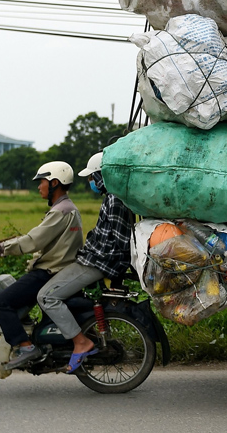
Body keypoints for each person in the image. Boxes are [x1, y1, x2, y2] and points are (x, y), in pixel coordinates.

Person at [36, 151, 136, 373]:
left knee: (46, 296)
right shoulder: (111, 198)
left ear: (103, 176)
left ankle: (81, 343)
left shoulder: (114, 200)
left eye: (93, 177)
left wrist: (116, 274)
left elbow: (121, 242)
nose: (91, 182)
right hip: (93, 260)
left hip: (98, 264)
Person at [0, 161, 83, 370]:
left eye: (42, 182)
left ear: (54, 182)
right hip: (57, 269)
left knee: (1, 302)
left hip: (48, 272)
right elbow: (38, 237)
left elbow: (32, 241)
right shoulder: (67, 208)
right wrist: (3, 244)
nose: (39, 187)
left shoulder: (60, 211)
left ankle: (25, 347)